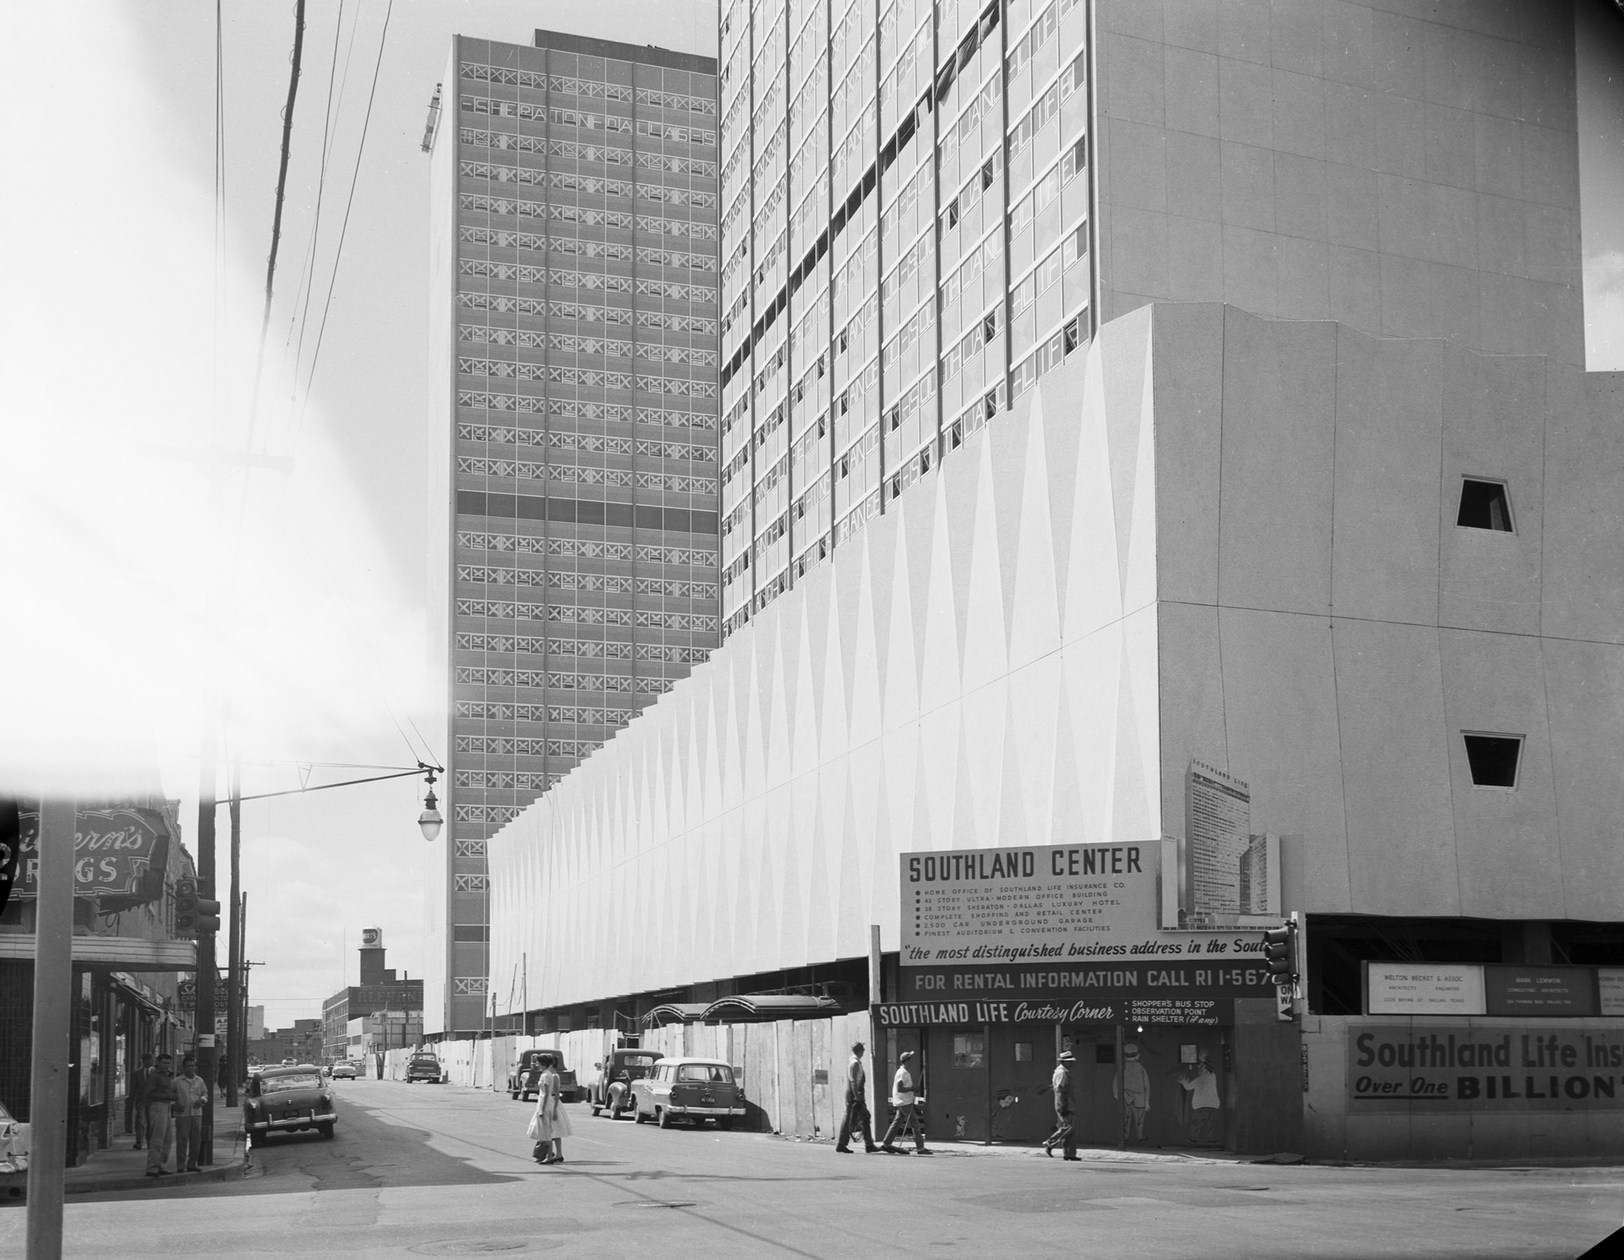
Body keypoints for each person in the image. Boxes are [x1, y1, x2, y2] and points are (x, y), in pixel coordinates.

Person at [879, 1049, 930, 1154]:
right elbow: (900, 1088)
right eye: (910, 1059)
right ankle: (920, 1148)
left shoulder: (903, 1072)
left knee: (896, 1122)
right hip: (904, 1102)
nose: (912, 1061)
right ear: (906, 1061)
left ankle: (886, 1143)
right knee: (915, 1124)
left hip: (902, 1102)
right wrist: (912, 1089)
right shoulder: (902, 1073)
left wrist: (912, 1089)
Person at [834, 1041, 879, 1153]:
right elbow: (853, 1081)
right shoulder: (854, 1063)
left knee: (862, 1118)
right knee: (857, 1117)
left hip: (855, 1093)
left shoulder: (854, 1062)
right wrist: (857, 1096)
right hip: (855, 1094)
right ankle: (867, 1144)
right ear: (859, 1050)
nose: (864, 1051)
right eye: (862, 1049)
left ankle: (866, 1144)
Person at [530, 1052, 573, 1165]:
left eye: (538, 1062)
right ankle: (551, 1155)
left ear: (543, 1063)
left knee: (546, 1132)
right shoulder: (548, 1074)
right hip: (549, 1103)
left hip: (546, 1104)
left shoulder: (546, 1075)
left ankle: (549, 1156)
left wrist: (541, 1110)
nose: (536, 1064)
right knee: (548, 1132)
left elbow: (545, 1094)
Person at [172, 1053, 209, 1172]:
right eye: (188, 1066)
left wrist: (202, 1100)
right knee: (182, 1140)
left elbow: (205, 1094)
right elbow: (170, 1096)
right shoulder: (177, 1081)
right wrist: (175, 1104)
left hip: (196, 1114)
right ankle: (180, 1165)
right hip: (182, 1115)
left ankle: (192, 1163)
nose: (191, 1068)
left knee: (196, 1141)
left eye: (193, 1065)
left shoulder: (199, 1080)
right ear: (184, 1067)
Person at [1178, 1050, 1221, 1145]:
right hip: (1213, 1104)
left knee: (1197, 1123)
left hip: (1200, 1105)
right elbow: (1211, 1068)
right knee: (1211, 1124)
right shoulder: (1213, 1076)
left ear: (1204, 1069)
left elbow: (1188, 1087)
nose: (1199, 1069)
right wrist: (1203, 1061)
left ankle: (1194, 1138)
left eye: (1201, 1067)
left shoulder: (1199, 1079)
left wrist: (1183, 1081)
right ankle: (1211, 1138)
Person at [144, 1053, 177, 1177]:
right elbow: (149, 1093)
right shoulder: (154, 1076)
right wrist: (168, 1096)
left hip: (167, 1106)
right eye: (164, 1063)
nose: (166, 1065)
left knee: (167, 1138)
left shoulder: (169, 1076)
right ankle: (152, 1167)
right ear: (158, 1062)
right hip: (157, 1106)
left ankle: (162, 1165)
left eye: (168, 1063)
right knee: (157, 1138)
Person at [1043, 1049, 1079, 1160]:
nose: (1071, 1063)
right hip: (1065, 1103)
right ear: (1063, 1062)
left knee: (1071, 1129)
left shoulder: (1063, 1072)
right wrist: (1063, 1105)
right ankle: (1050, 1142)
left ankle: (1069, 1154)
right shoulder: (1062, 1073)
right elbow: (1060, 1090)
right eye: (1069, 1061)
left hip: (1068, 1103)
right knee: (1068, 1127)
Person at [1114, 1041, 1151, 1144]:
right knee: (1139, 1119)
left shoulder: (1122, 1068)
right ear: (1138, 1055)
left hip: (1126, 1096)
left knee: (1126, 1118)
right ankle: (1139, 1136)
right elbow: (1147, 1085)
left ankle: (1125, 1137)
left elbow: (1116, 1082)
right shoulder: (1141, 1068)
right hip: (1139, 1097)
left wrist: (1117, 1095)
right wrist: (1147, 1101)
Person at [130, 1052, 154, 1149]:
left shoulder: (156, 1073)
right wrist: (132, 1101)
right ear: (143, 1061)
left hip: (153, 1102)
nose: (150, 1062)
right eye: (148, 1060)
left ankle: (149, 1142)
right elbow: (133, 1089)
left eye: (151, 1060)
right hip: (141, 1102)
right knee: (140, 1122)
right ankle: (139, 1142)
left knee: (151, 1122)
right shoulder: (137, 1074)